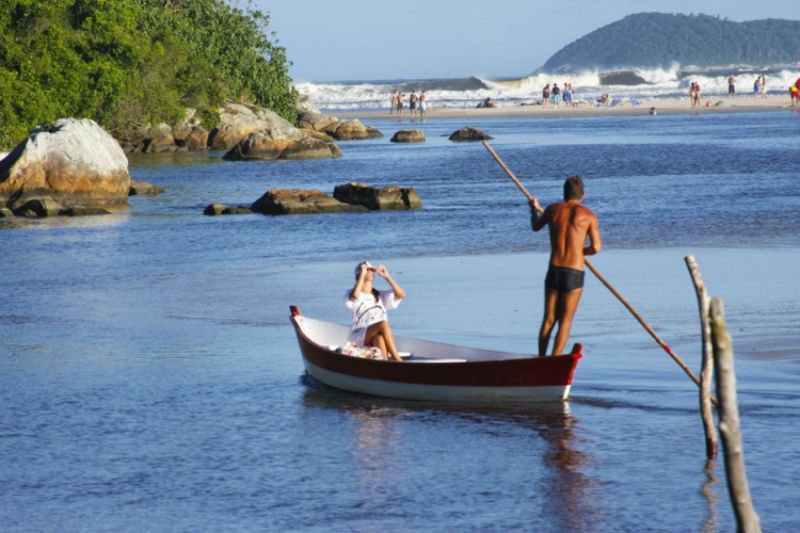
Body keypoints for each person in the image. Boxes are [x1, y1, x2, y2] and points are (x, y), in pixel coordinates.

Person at [529, 176, 602, 356]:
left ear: (564, 194)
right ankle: (555, 360)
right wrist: (579, 252)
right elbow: (596, 248)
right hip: (574, 273)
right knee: (566, 321)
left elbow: (536, 226)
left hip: (554, 270)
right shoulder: (588, 215)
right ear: (582, 195)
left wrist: (533, 210)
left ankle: (541, 359)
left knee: (549, 319)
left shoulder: (553, 210)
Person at [345, 261, 406, 362]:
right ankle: (398, 360)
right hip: (358, 337)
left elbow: (401, 294)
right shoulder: (352, 293)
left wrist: (386, 276)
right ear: (359, 275)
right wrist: (362, 275)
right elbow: (355, 296)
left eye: (370, 270)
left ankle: (385, 366)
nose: (368, 272)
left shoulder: (380, 295)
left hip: (373, 337)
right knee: (383, 324)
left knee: (379, 338)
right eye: (365, 271)